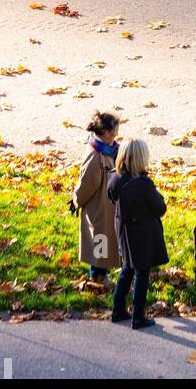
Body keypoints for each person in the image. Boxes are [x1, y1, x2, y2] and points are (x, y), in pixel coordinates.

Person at [107, 138, 168, 330]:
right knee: (142, 272)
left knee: (127, 268)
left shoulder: (114, 177)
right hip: (141, 232)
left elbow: (111, 197)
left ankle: (118, 310)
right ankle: (138, 316)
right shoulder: (143, 184)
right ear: (142, 159)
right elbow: (160, 208)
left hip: (123, 229)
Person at [72, 111, 120, 283]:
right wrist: (76, 201)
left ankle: (102, 273)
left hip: (107, 206)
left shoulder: (109, 149)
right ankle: (97, 277)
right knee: (100, 241)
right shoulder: (95, 155)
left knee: (104, 241)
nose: (116, 134)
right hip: (98, 208)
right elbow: (86, 184)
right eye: (114, 131)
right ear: (105, 132)